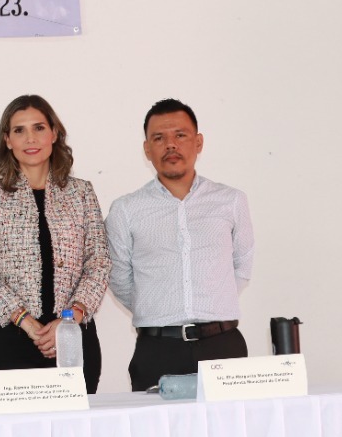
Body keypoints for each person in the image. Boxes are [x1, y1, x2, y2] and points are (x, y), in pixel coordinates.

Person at [107, 98, 254, 392]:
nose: (170, 145)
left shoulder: (231, 201)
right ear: (147, 149)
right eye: (159, 138)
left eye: (180, 135)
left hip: (223, 346)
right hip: (157, 350)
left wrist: (210, 302)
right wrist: (158, 307)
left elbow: (242, 265)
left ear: (198, 142)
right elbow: (119, 278)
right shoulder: (126, 209)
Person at [0, 94, 111, 391]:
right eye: (19, 130)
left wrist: (70, 319)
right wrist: (25, 321)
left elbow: (99, 261)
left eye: (39, 128)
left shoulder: (82, 193)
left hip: (73, 340)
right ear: (7, 140)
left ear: (54, 133)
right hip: (11, 339)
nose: (30, 138)